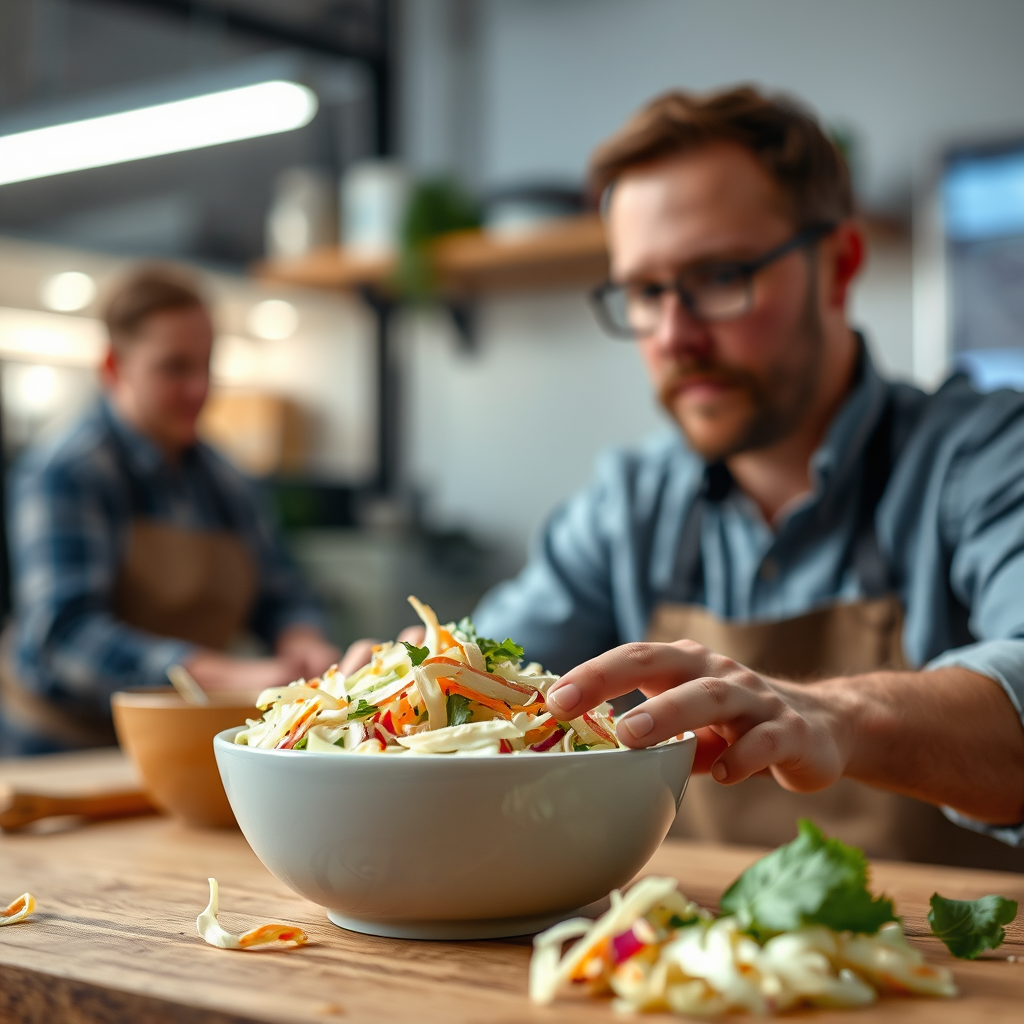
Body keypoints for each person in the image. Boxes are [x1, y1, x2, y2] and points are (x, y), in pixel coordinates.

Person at [355, 86, 1024, 868]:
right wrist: (426, 689)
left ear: (838, 266)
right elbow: (500, 681)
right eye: (644, 291)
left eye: (720, 275)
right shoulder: (629, 505)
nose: (674, 335)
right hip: (685, 970)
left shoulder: (986, 456)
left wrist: (833, 715)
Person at [2, 266, 339, 754]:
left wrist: (303, 642)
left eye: (206, 365)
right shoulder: (65, 473)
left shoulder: (229, 481)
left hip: (178, 740)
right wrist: (224, 675)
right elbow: (66, 634)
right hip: (62, 748)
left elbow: (282, 593)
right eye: (175, 368)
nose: (199, 388)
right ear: (114, 367)